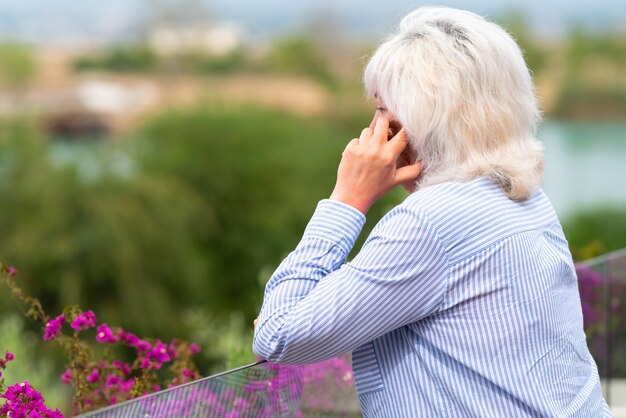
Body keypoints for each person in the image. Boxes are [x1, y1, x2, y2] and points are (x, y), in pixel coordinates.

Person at [253, 6, 611, 417]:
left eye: (384, 111)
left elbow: (279, 337)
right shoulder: (523, 195)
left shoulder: (429, 223)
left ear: (421, 122)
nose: (374, 132)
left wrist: (346, 200)